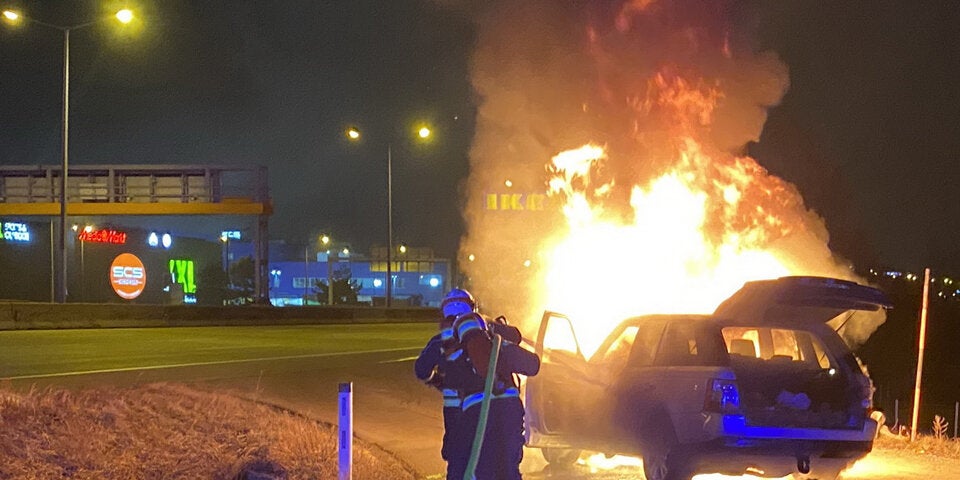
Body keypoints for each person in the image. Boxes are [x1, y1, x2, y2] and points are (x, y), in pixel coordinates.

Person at [448, 309, 540, 480]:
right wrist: (502, 333)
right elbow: (533, 365)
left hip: (474, 418)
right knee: (508, 468)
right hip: (508, 413)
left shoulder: (457, 357)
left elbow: (451, 391)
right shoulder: (500, 346)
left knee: (477, 466)